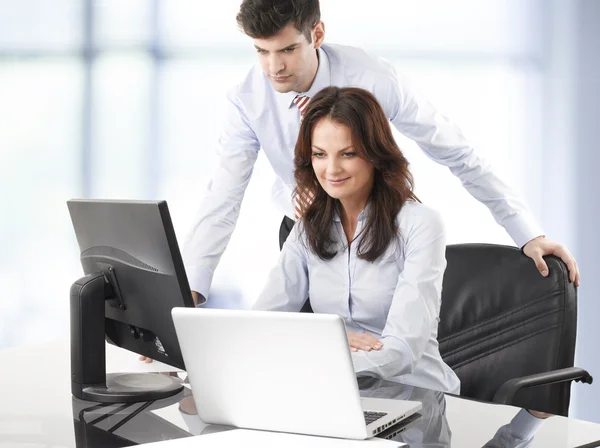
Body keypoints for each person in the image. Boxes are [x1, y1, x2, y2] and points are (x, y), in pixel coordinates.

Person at [181, 0, 579, 309]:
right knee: (296, 364)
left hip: (377, 235)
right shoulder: (247, 99)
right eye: (261, 51)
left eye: (286, 49)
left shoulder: (372, 78)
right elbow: (222, 197)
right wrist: (191, 291)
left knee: (381, 361)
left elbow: (457, 151)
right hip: (305, 232)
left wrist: (528, 233)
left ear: (317, 33)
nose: (273, 67)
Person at [253, 86, 460, 394]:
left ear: (375, 155)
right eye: (320, 155)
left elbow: (401, 351)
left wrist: (316, 355)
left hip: (415, 398)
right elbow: (260, 325)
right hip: (337, 394)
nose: (332, 169)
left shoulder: (421, 224)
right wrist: (326, 339)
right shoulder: (307, 229)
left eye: (348, 154)